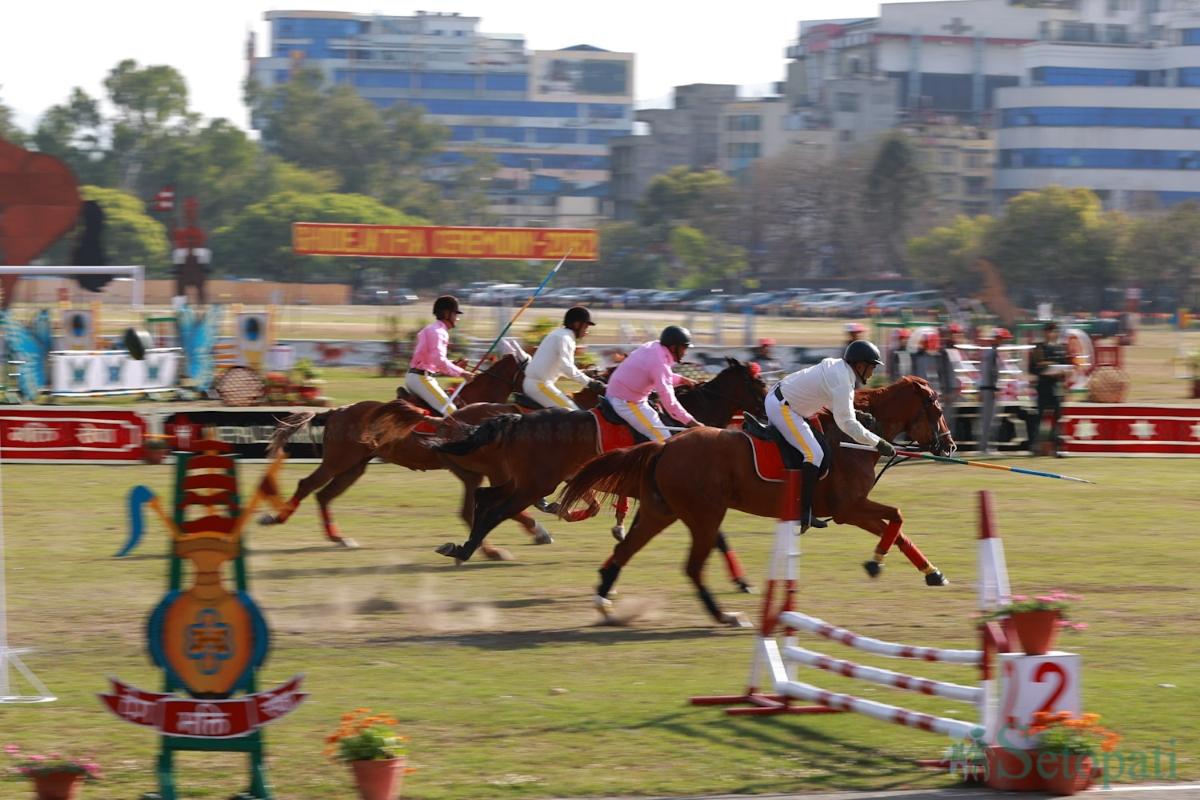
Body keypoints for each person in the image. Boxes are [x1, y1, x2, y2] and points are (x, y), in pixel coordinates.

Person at [766, 340, 896, 533]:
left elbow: (829, 400)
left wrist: (855, 413)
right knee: (814, 454)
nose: (873, 372)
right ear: (860, 366)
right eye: (872, 367)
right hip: (783, 408)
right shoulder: (842, 379)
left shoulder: (840, 369)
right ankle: (803, 512)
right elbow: (847, 424)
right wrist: (878, 443)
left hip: (785, 401)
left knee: (820, 449)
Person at [606, 325, 705, 441]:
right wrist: (692, 422)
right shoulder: (659, 363)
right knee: (663, 438)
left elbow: (659, 376)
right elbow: (668, 400)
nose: (685, 353)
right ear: (673, 348)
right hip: (626, 401)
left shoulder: (655, 347)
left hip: (618, 393)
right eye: (684, 348)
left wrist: (682, 380)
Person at [522, 306, 607, 410]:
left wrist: (584, 373)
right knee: (575, 414)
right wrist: (589, 382)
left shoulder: (559, 334)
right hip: (540, 386)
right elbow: (567, 368)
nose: (586, 331)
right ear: (576, 324)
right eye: (585, 327)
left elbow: (560, 369)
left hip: (534, 384)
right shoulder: (566, 339)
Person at [405, 295, 470, 414]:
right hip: (422, 379)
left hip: (419, 377)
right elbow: (439, 362)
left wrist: (454, 365)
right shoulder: (439, 332)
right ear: (446, 314)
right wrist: (462, 373)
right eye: (455, 315)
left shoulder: (433, 329)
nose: (457, 319)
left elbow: (432, 362)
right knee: (452, 412)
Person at [1027, 318, 1069, 456]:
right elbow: (1033, 368)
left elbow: (1065, 366)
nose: (1050, 333)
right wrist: (1046, 370)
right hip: (1043, 388)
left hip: (1056, 388)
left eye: (1053, 331)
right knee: (1039, 420)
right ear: (1044, 333)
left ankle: (1058, 448)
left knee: (1057, 421)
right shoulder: (1038, 348)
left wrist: (1061, 371)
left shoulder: (1060, 348)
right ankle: (1035, 448)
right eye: (1048, 331)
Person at [976, 328, 1011, 456]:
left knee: (987, 419)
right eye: (1002, 339)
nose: (1004, 341)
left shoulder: (987, 352)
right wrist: (995, 388)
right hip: (990, 389)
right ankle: (985, 448)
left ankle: (985, 447)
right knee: (989, 420)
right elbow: (993, 372)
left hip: (987, 388)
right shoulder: (993, 353)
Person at [936, 325, 963, 441]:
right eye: (951, 333)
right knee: (945, 421)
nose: (954, 336)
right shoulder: (943, 351)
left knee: (951, 420)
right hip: (947, 391)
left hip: (954, 390)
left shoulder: (954, 350)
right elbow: (943, 372)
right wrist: (947, 391)